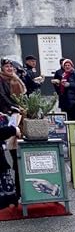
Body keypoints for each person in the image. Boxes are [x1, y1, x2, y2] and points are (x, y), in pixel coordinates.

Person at [0, 58, 27, 199]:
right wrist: (12, 108)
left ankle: (19, 190)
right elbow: (4, 98)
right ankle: (15, 191)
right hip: (9, 119)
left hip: (19, 118)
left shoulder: (15, 79)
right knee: (15, 154)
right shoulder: (2, 80)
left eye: (11, 66)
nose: (9, 68)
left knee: (19, 155)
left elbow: (23, 97)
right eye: (7, 66)